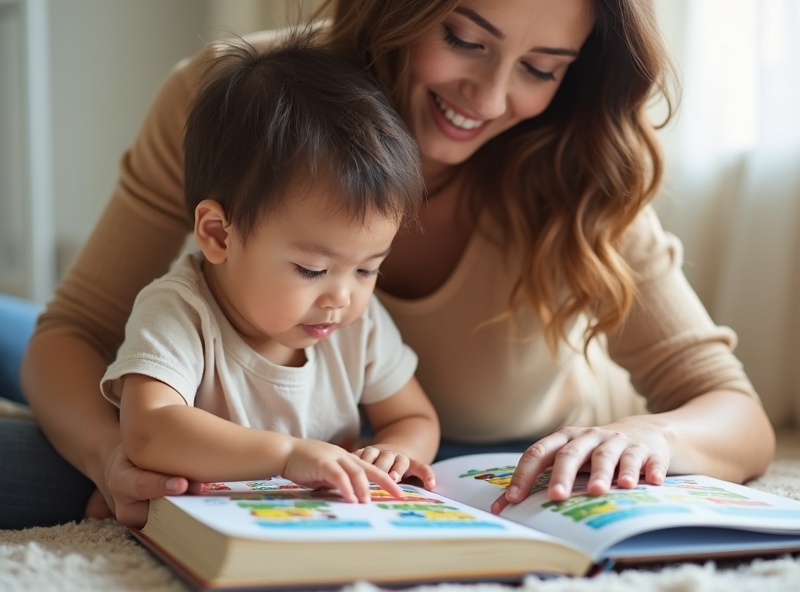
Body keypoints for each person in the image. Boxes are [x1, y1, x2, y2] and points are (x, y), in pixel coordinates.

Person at [10, 0, 775, 529]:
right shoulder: (242, 101)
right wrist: (111, 456)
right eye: (467, 39)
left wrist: (654, 440)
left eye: (542, 68)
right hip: (227, 391)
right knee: (90, 454)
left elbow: (734, 413)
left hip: (466, 453)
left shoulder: (577, 167)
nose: (491, 94)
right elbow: (78, 328)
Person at [98, 31, 438, 504]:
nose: (342, 297)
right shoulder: (180, 310)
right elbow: (150, 430)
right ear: (219, 234)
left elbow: (414, 418)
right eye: (312, 270)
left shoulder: (354, 325)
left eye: (366, 270)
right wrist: (287, 455)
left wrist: (395, 451)